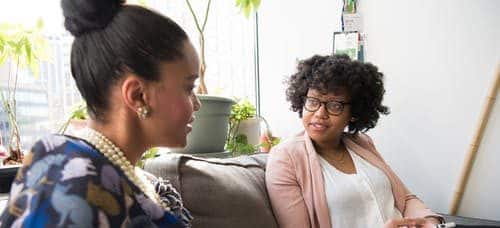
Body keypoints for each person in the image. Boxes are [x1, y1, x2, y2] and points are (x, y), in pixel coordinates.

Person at [0, 0, 200, 227]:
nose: (197, 104)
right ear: (138, 95)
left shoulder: (129, 180)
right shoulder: (73, 184)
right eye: (189, 88)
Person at [265, 54, 444, 228]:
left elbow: (405, 199)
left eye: (335, 105)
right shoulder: (285, 159)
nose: (319, 113)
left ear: (353, 113)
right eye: (312, 101)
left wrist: (430, 222)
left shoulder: (362, 143)